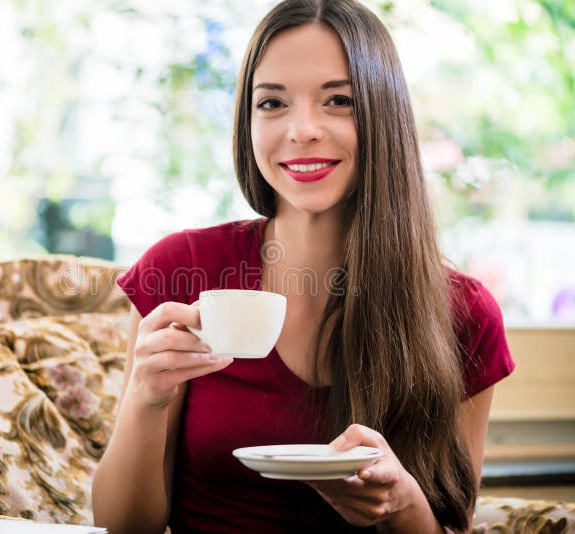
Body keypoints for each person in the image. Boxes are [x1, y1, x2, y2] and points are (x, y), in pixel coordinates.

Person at [92, 0, 515, 532]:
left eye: (339, 100)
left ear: (384, 115)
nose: (303, 129)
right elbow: (125, 526)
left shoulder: (464, 313)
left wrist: (403, 504)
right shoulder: (183, 269)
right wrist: (144, 401)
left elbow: (451, 523)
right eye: (272, 103)